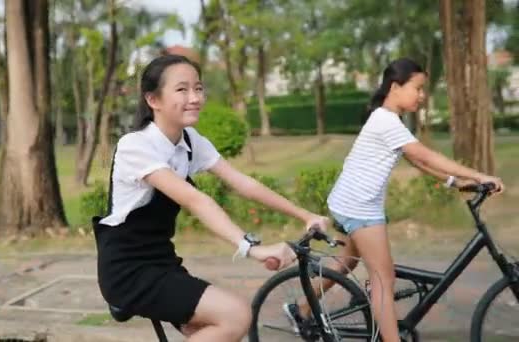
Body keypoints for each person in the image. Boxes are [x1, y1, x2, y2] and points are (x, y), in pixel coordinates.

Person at [93, 54, 329, 342]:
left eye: (198, 88)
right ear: (153, 100)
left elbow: (244, 183)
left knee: (213, 329)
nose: (194, 97)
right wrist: (251, 248)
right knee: (237, 315)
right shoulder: (136, 146)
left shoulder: (190, 140)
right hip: (128, 269)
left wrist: (304, 215)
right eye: (182, 89)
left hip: (162, 261)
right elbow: (196, 200)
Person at [283, 58, 505, 341]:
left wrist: (454, 181)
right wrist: (479, 175)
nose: (422, 96)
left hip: (349, 200)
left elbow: (415, 160)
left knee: (347, 263)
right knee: (383, 281)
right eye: (418, 88)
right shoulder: (385, 120)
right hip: (359, 207)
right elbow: (425, 155)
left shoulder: (387, 118)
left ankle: (301, 309)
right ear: (395, 86)